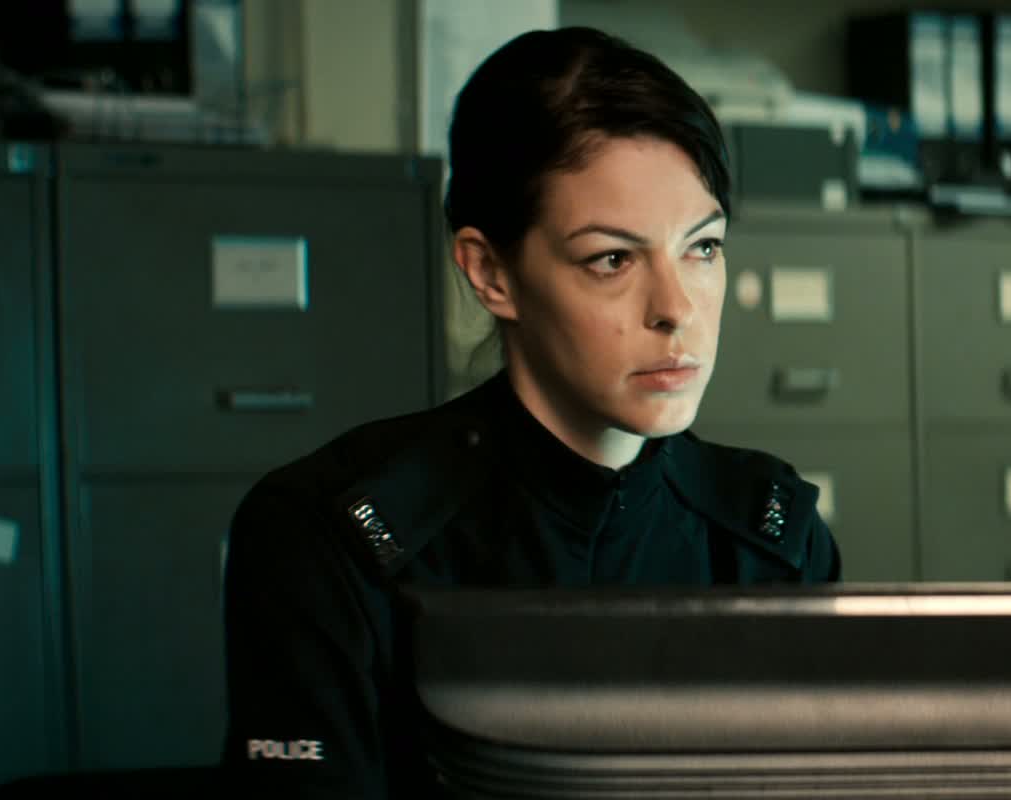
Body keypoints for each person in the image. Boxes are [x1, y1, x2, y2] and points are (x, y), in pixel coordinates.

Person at [217, 27, 841, 798]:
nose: (676, 308)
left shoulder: (774, 536)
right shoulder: (328, 538)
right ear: (491, 274)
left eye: (702, 247)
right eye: (612, 259)